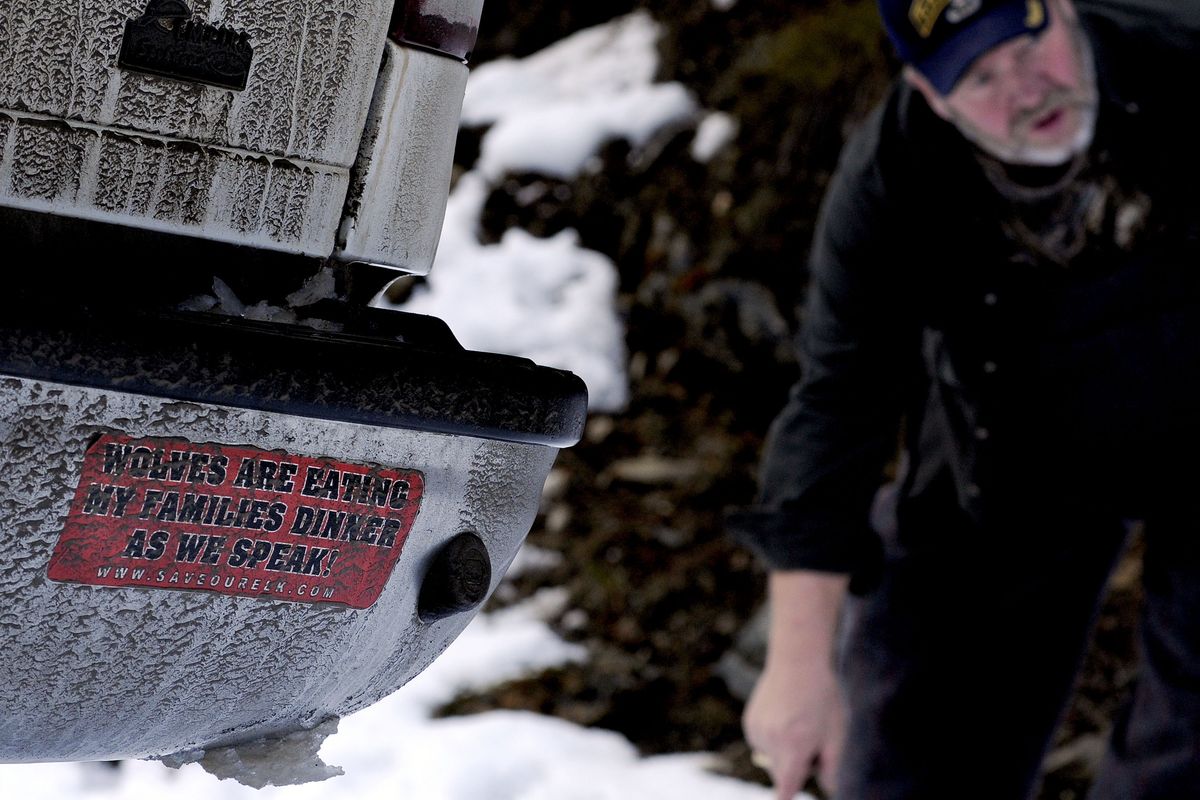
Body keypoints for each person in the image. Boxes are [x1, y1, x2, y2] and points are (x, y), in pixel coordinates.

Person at [728, 0, 1200, 798]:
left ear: (1062, 9)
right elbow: (839, 403)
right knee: (920, 740)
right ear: (930, 92)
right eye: (980, 75)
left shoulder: (1182, 57)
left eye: (1029, 45)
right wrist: (798, 669)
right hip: (1015, 441)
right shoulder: (895, 175)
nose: (1027, 90)